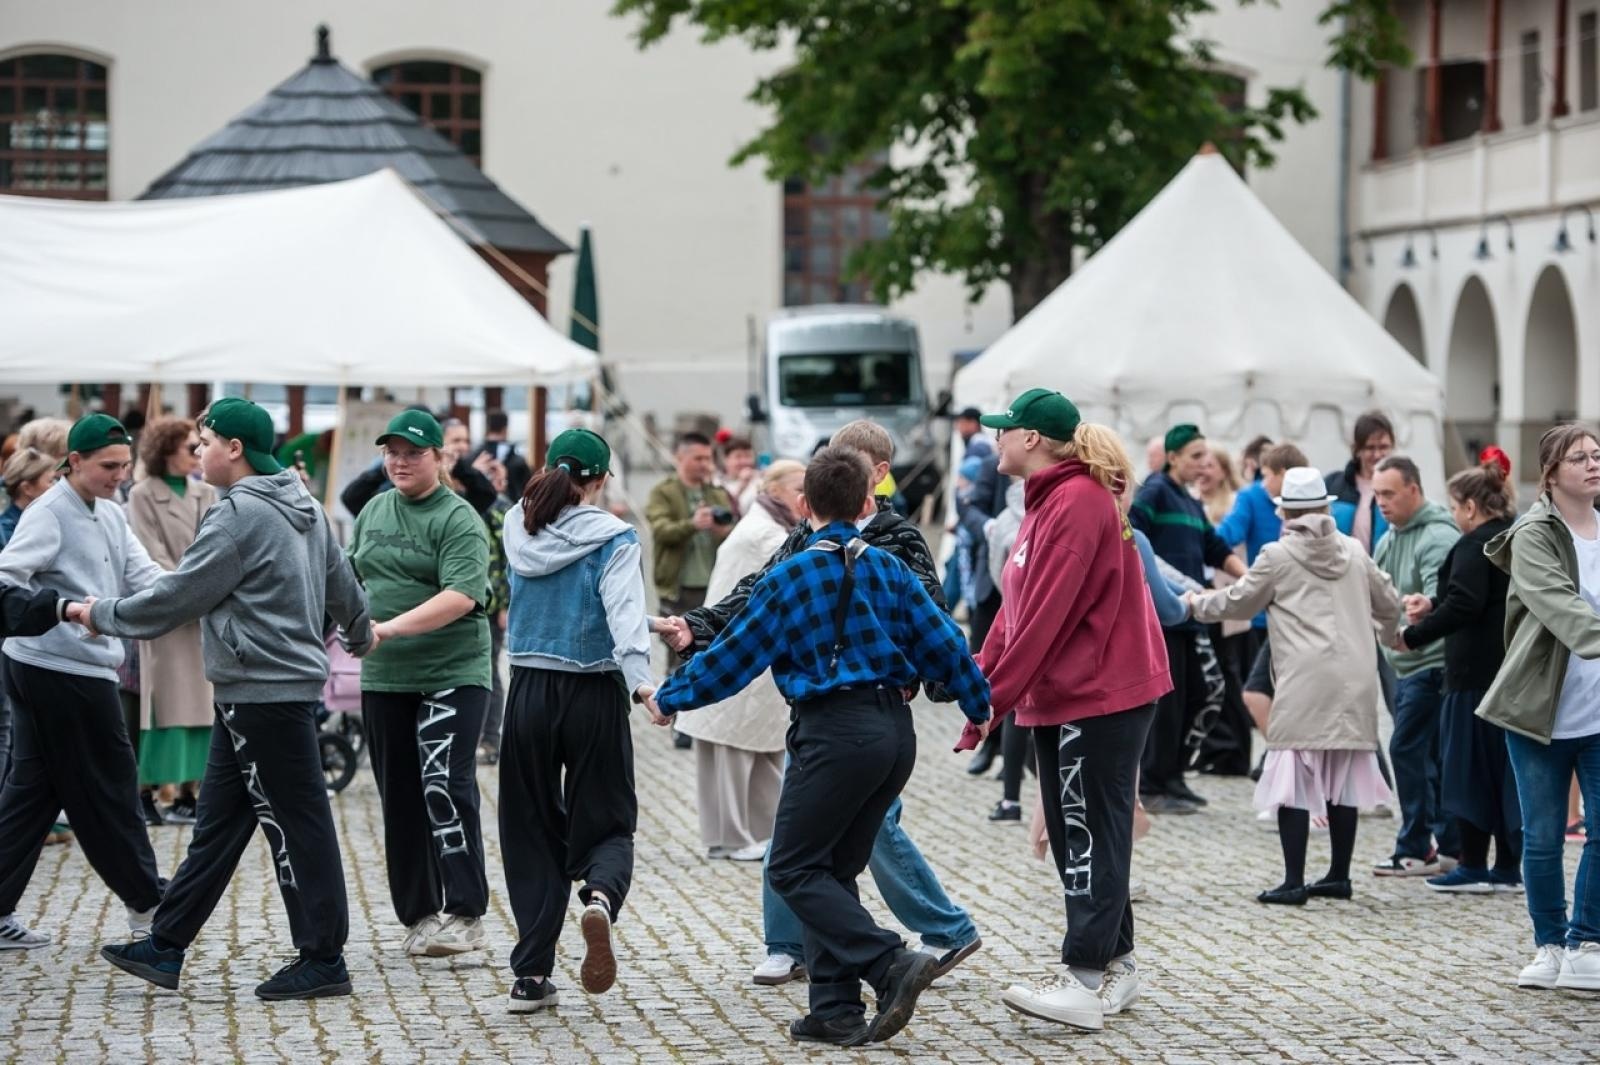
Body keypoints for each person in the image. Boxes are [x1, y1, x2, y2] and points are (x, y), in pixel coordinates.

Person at [653, 445, 991, 1047]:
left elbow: (734, 658)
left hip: (835, 733)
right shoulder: (889, 569)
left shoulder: (790, 576)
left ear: (805, 505)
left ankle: (889, 962)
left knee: (791, 867)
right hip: (893, 736)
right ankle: (834, 1010)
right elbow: (945, 642)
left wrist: (670, 697)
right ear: (866, 504)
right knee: (832, 870)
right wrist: (978, 705)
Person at [93, 398, 373, 1001]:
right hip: (257, 691)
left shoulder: (237, 515)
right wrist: (359, 632)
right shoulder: (304, 504)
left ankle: (324, 958)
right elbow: (343, 584)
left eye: (206, 444)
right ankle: (166, 944)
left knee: (299, 826)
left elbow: (179, 595)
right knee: (218, 826)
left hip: (262, 692)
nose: (199, 454)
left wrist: (98, 614)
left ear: (235, 449)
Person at [962, 393, 1170, 1032]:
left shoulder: (1076, 501)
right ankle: (1118, 966)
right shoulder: (1045, 501)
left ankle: (1082, 979)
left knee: (1086, 834)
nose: (994, 439)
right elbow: (1014, 610)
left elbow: (1045, 619)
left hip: (1100, 693)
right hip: (1068, 695)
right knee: (1079, 830)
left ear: (1032, 438)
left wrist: (989, 700)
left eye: (1003, 430)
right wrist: (976, 677)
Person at [498, 428, 657, 1013]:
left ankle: (531, 974)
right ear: (601, 479)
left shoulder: (518, 525)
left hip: (528, 689)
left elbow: (557, 595)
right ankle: (599, 898)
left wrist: (652, 621)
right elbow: (620, 612)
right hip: (593, 690)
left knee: (529, 826)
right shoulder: (614, 535)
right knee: (608, 817)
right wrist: (642, 682)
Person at [1190, 467, 1401, 906]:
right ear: (1325, 507)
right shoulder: (1354, 550)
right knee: (1343, 772)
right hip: (1355, 677)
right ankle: (1339, 875)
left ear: (1286, 512)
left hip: (1304, 678)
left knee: (1292, 773)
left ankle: (1293, 881)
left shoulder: (1277, 555)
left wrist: (1193, 604)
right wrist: (1389, 634)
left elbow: (1238, 602)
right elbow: (1388, 602)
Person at [0, 414, 166, 950]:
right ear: (73, 462)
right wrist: (64, 609)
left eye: (125, 465)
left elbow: (146, 578)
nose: (120, 475)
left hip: (65, 668)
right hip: (58, 671)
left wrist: (197, 594)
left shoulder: (111, 511)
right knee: (109, 787)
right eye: (108, 466)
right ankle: (147, 904)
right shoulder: (50, 511)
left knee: (32, 795)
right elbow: (5, 578)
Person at [348, 410, 492, 958]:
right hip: (386, 675)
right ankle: (420, 915)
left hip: (452, 671)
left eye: (413, 453)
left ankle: (467, 913)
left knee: (443, 784)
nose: (400, 462)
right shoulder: (374, 510)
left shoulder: (458, 518)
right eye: (392, 453)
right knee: (400, 796)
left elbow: (460, 596)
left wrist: (386, 629)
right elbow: (352, 574)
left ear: (439, 457)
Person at [1476, 424, 1600, 992]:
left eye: (1597, 455)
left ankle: (1586, 943)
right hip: (1538, 710)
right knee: (1544, 836)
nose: (1593, 464)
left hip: (1597, 712)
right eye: (1579, 458)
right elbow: (1558, 604)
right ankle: (1549, 945)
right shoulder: (1532, 535)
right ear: (1550, 474)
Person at [1396, 457, 1521, 894]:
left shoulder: (1473, 545)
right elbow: (1481, 597)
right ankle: (1507, 868)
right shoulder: (1514, 537)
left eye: (1454, 507)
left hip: (1472, 678)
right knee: (1505, 774)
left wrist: (1414, 636)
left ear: (1470, 507)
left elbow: (1466, 602)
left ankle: (1473, 865)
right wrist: (1435, 603)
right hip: (1510, 674)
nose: (1453, 515)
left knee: (1468, 772)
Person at [674, 460, 806, 860]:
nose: (805, 497)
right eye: (799, 488)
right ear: (775, 489)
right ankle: (730, 837)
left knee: (762, 750)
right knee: (731, 748)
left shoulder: (773, 526)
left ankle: (763, 832)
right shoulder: (765, 534)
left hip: (751, 650)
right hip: (738, 649)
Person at [1130, 423, 1245, 812]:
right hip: (1164, 616)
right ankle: (1152, 784)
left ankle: (1174, 775)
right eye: (1195, 456)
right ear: (1173, 457)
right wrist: (1176, 587)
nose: (1203, 463)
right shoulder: (1155, 491)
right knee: (1168, 701)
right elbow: (1136, 542)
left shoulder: (1190, 501)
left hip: (1191, 616)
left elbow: (1215, 547)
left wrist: (1250, 579)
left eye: (1205, 455)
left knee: (1198, 694)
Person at [1371, 454, 1461, 875]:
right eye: (1376, 495)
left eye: (1389, 494)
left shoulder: (1437, 537)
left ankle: (1416, 847)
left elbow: (1439, 605)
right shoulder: (1390, 537)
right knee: (1430, 755)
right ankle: (1450, 846)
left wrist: (1407, 627)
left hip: (1432, 662)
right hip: (1405, 663)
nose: (1381, 503)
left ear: (1414, 489)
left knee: (1407, 748)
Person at [126, 417, 217, 826]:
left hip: (204, 612)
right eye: (188, 447)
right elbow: (149, 554)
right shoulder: (142, 494)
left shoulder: (206, 492)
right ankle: (146, 791)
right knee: (162, 706)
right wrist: (187, 591)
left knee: (202, 707)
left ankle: (189, 792)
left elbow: (216, 546)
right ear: (164, 451)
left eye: (200, 446)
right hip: (166, 612)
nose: (197, 453)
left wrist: (206, 589)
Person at [648, 431, 735, 743]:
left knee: (712, 654)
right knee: (678, 655)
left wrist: (722, 530)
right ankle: (678, 722)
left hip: (714, 585)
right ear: (680, 457)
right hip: (679, 586)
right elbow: (660, 530)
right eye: (698, 458)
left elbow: (733, 532)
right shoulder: (664, 492)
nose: (704, 464)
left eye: (708, 458)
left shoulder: (717, 493)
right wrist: (691, 524)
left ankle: (703, 722)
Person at [0, 446, 59, 794]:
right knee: (5, 727)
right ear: (27, 487)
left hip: (25, 637)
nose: (57, 488)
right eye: (50, 481)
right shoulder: (10, 529)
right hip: (12, 637)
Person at [1326, 411, 1395, 555]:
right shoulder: (1333, 485)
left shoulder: (1401, 488)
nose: (1377, 455)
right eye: (1370, 448)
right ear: (1357, 450)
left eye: (1383, 447)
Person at [475, 408, 531, 502]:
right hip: (511, 505)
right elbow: (527, 492)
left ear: (487, 428)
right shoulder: (518, 462)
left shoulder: (475, 458)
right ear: (505, 429)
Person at [717, 436, 761, 515]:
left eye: (748, 456)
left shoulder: (761, 481)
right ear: (726, 460)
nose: (744, 461)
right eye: (738, 457)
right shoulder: (717, 484)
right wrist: (741, 487)